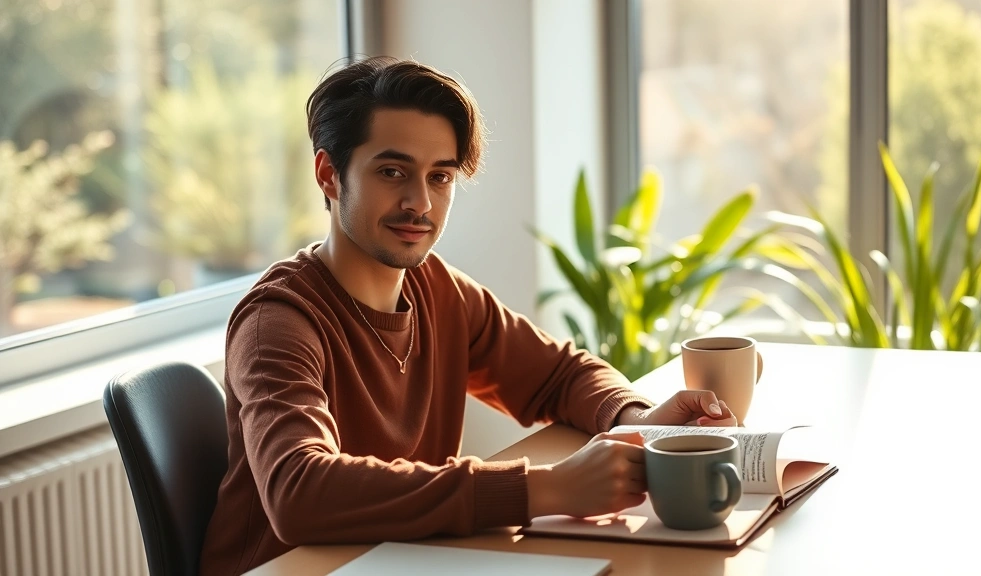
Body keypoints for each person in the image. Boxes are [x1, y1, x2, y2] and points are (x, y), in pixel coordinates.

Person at [198, 55, 737, 575]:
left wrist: (637, 420)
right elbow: (300, 492)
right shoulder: (279, 321)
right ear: (329, 175)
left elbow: (559, 374)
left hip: (403, 561)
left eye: (440, 177)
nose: (421, 204)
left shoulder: (437, 289)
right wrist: (545, 489)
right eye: (392, 171)